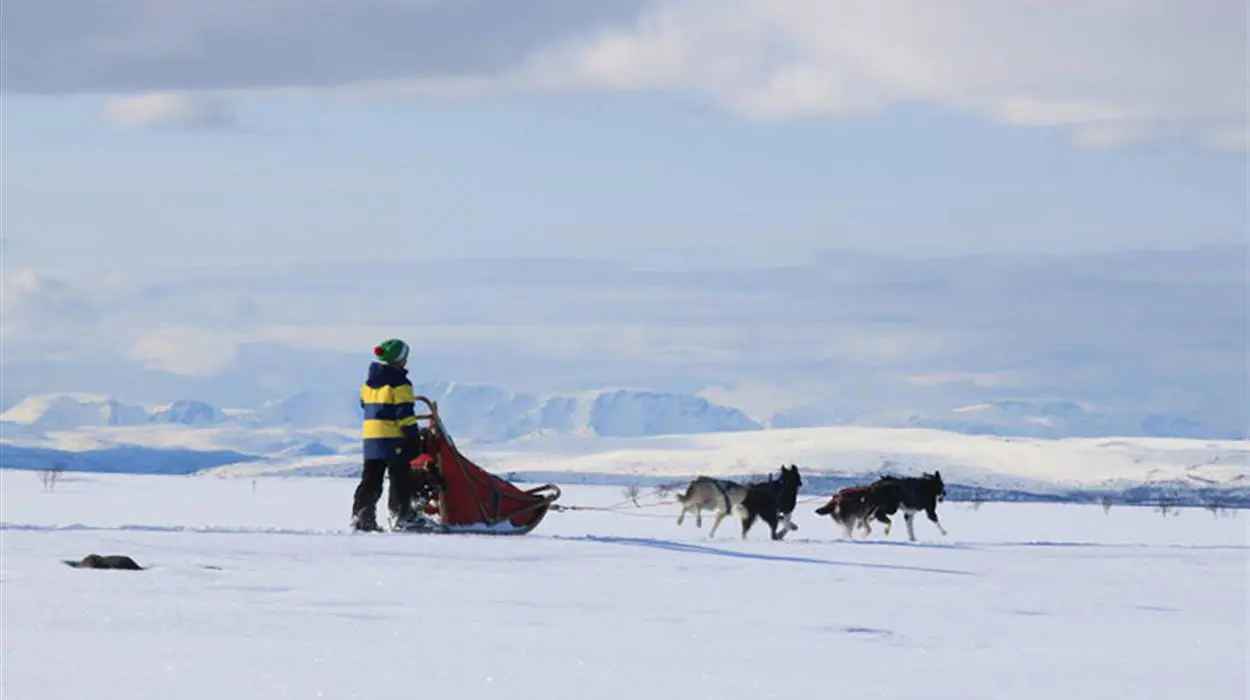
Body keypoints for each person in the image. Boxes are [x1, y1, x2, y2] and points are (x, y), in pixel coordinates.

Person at [351, 338, 428, 532]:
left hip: (371, 439)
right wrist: (413, 437)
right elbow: (405, 413)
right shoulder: (400, 383)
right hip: (394, 438)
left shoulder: (367, 385)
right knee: (400, 476)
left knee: (371, 479)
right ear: (401, 360)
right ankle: (401, 514)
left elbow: (364, 405)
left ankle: (362, 516)